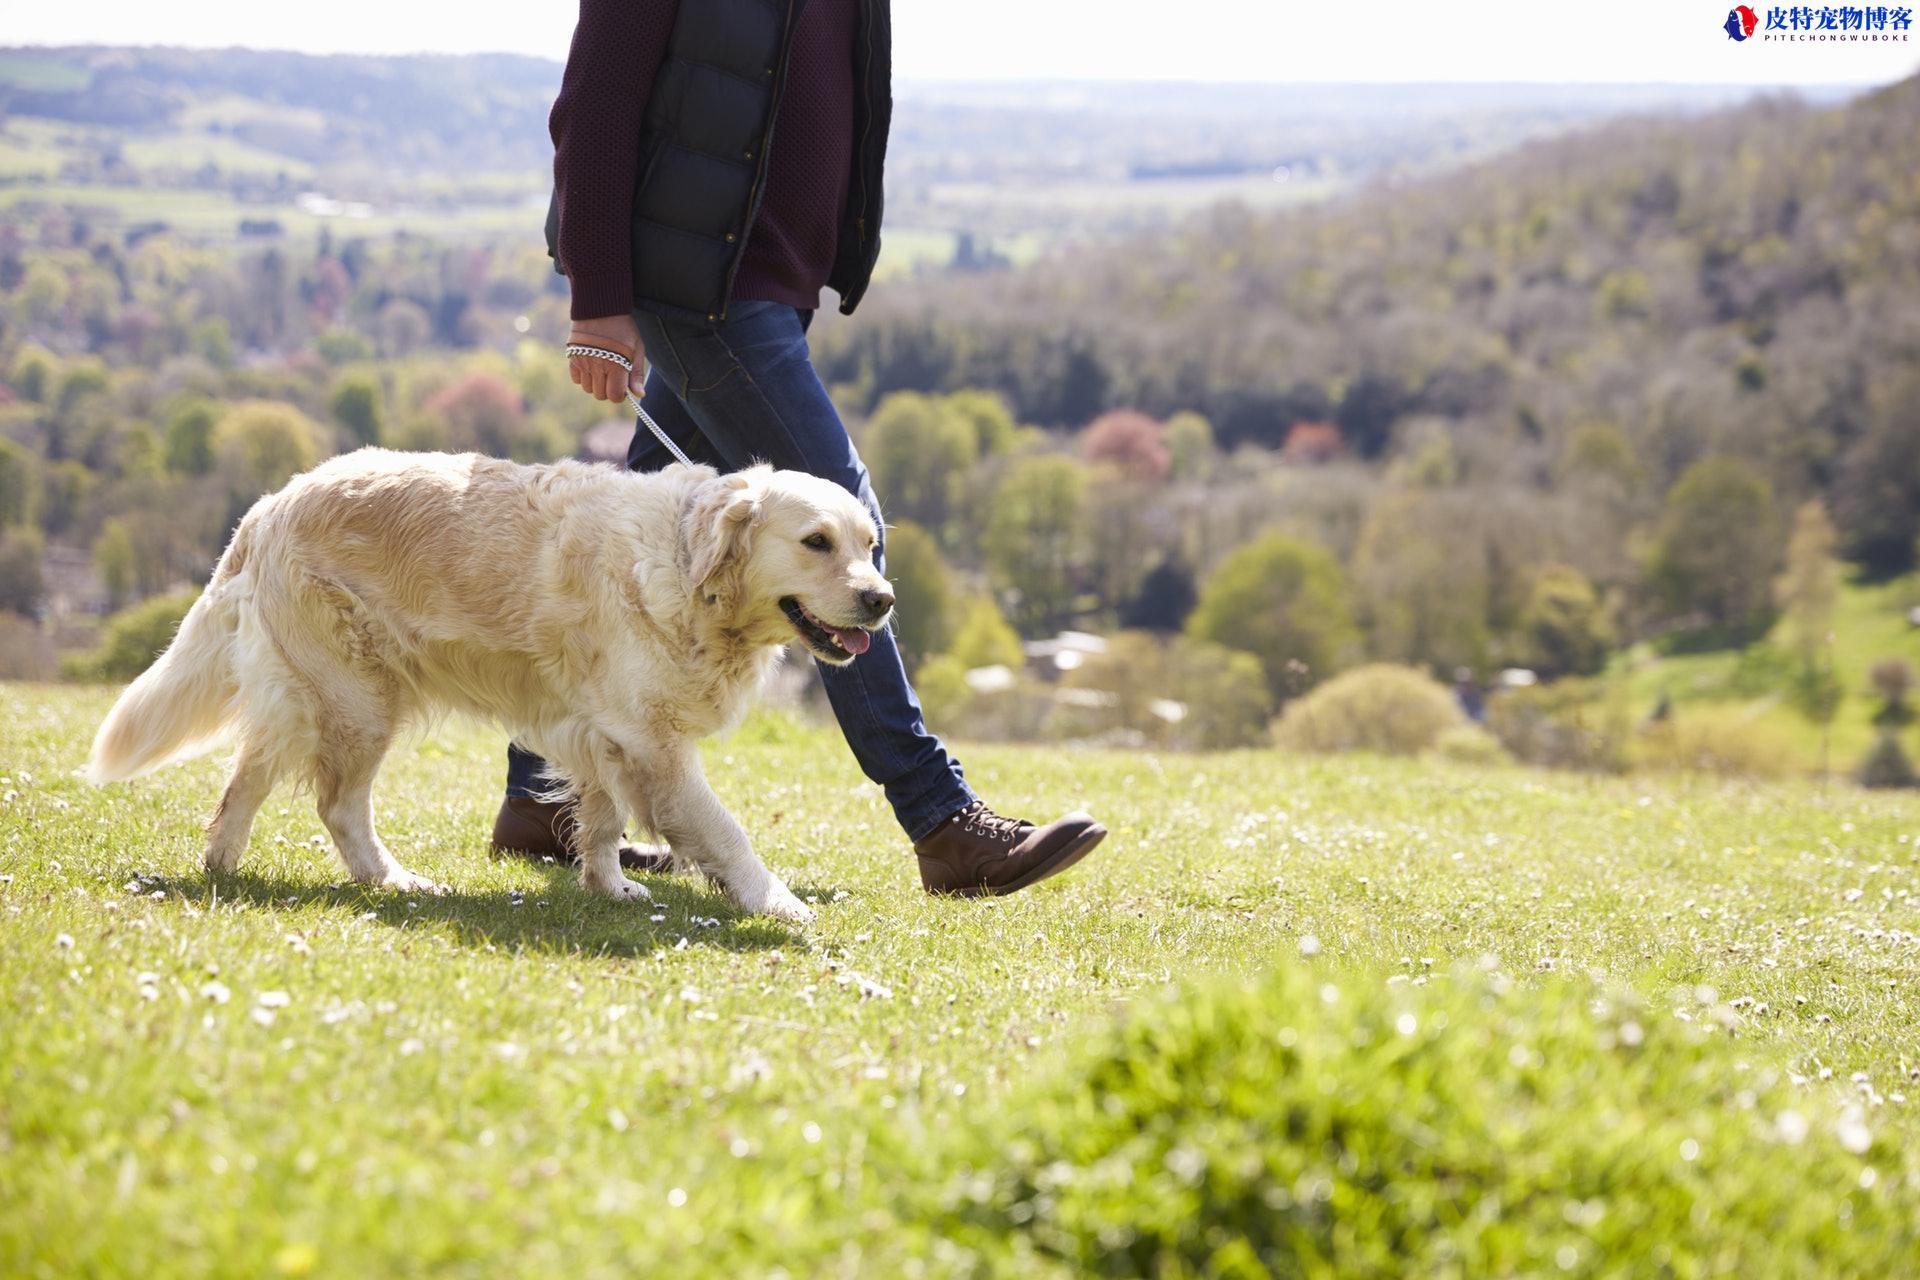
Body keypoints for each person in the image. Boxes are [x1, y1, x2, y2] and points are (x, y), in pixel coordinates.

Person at [493, 0, 1108, 897]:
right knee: (840, 521)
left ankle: (542, 805)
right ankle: (943, 822)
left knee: (628, 548)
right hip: (702, 287)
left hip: (763, 284)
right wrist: (598, 298)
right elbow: (595, 103)